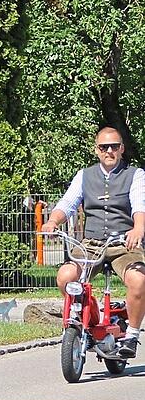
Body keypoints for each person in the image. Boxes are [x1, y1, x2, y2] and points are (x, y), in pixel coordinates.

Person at [40, 127, 145, 358]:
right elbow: (67, 204)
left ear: (122, 149)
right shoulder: (84, 175)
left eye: (114, 146)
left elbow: (139, 206)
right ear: (96, 150)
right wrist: (52, 222)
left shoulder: (135, 175)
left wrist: (138, 228)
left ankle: (132, 336)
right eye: (103, 147)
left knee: (139, 280)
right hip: (91, 244)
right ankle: (89, 316)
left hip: (122, 243)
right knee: (66, 277)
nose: (109, 151)